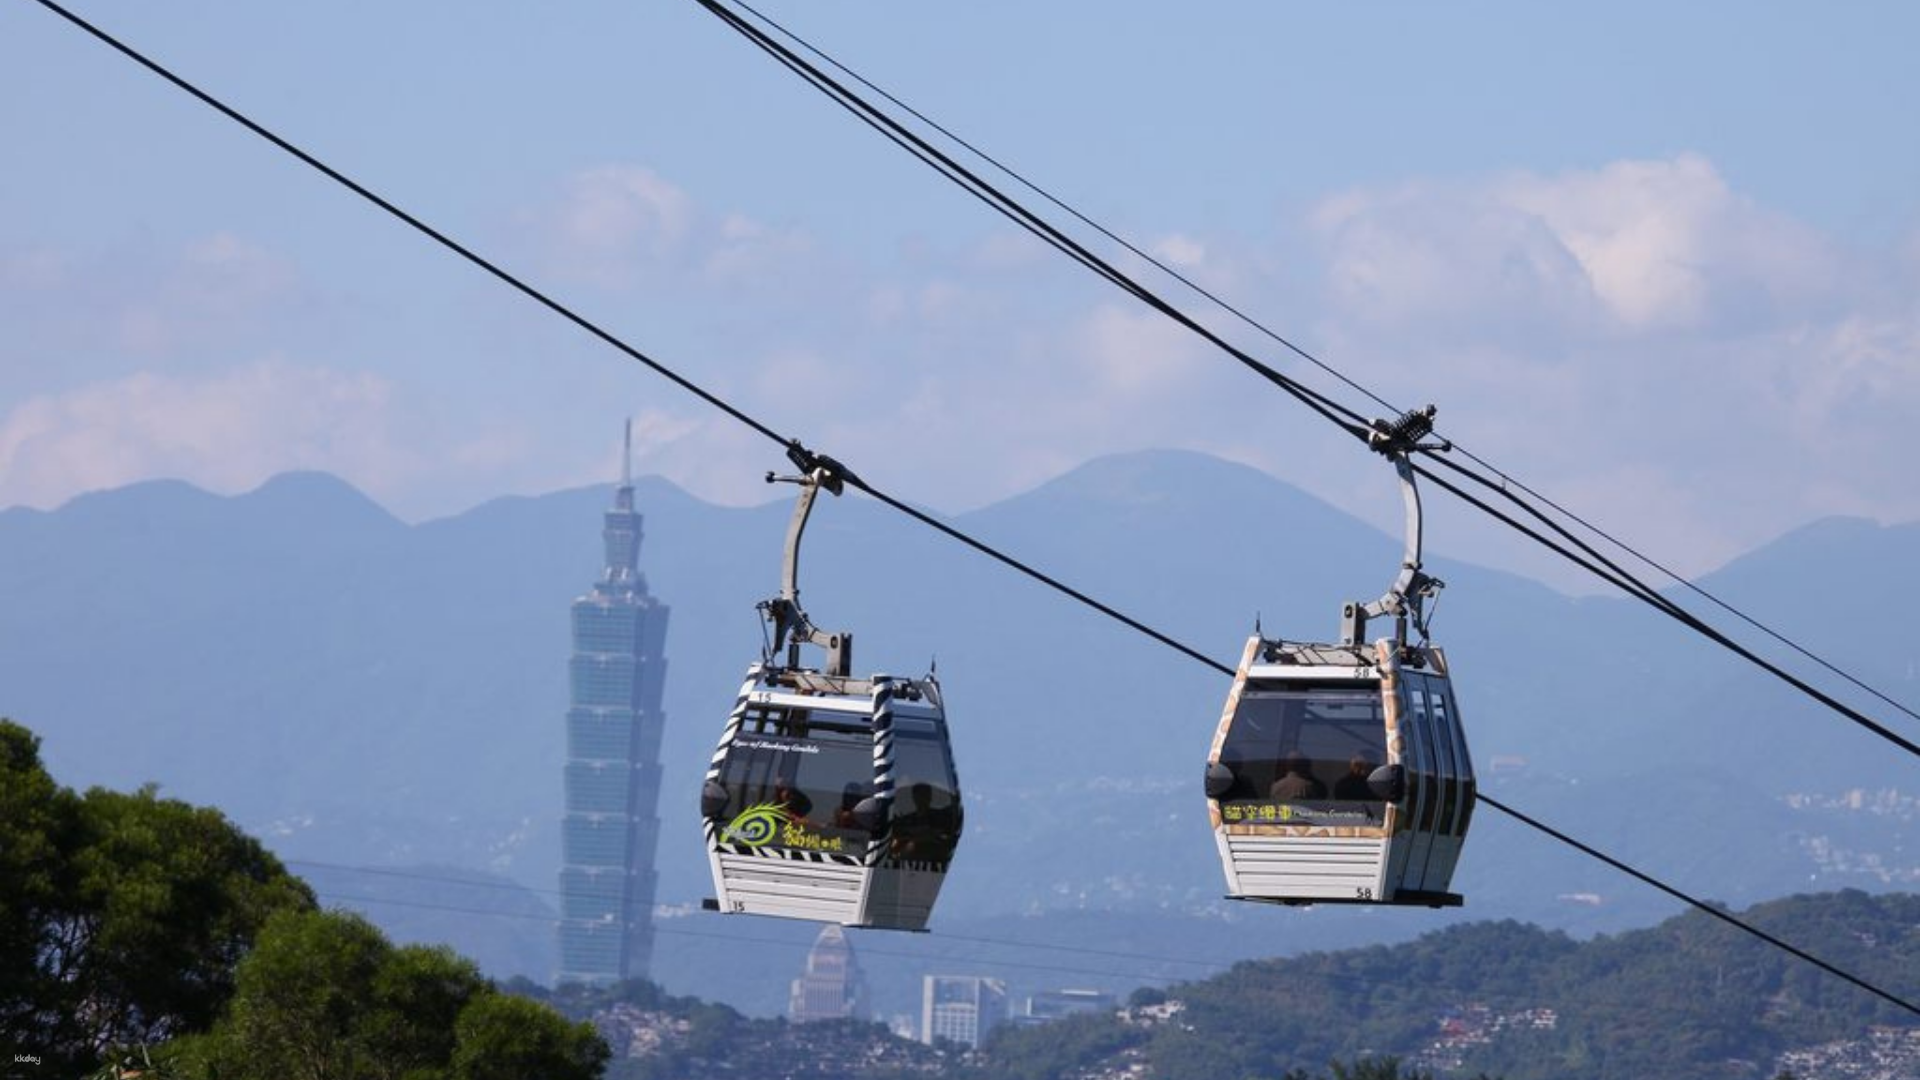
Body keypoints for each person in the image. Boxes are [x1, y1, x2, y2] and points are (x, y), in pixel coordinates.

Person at [889, 782, 959, 862]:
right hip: (907, 864)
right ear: (914, 797)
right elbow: (894, 847)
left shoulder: (940, 817)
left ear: (930, 796)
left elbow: (947, 838)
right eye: (920, 795)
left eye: (927, 794)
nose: (924, 798)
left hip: (934, 864)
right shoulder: (906, 820)